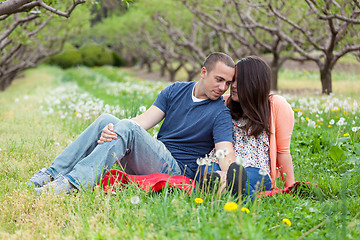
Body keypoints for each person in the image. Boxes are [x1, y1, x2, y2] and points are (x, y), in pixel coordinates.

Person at [26, 52, 236, 194]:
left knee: (125, 126)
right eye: (219, 79)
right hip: (153, 155)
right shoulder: (175, 90)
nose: (223, 87)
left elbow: (225, 150)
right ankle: (51, 173)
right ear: (203, 72)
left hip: (175, 169)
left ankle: (73, 183)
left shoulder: (220, 113)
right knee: (106, 120)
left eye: (227, 83)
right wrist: (112, 130)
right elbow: (142, 122)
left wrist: (229, 172)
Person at [207, 56, 295, 199]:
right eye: (233, 81)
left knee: (245, 179)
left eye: (239, 82)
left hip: (255, 168)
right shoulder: (223, 103)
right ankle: (227, 189)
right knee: (205, 171)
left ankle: (227, 191)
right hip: (219, 162)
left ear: (254, 83)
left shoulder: (275, 105)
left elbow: (283, 151)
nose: (233, 86)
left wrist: (290, 187)